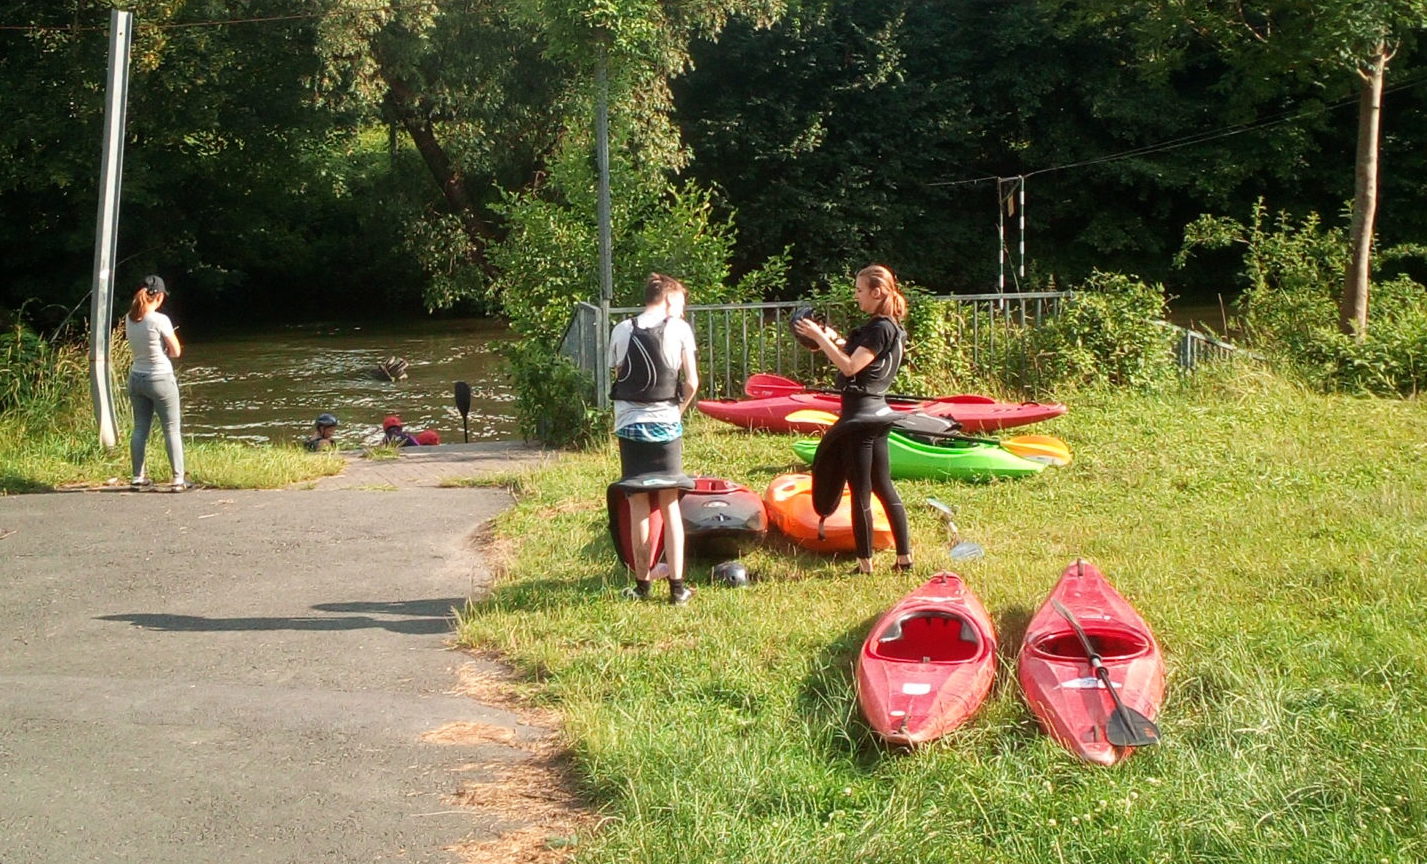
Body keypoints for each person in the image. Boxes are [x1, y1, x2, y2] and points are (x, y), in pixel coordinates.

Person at [793, 264, 914, 574]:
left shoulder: (879, 328)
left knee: (860, 489)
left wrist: (821, 338)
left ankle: (865, 564)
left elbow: (850, 367)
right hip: (879, 413)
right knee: (883, 486)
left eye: (860, 290)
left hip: (859, 417)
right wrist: (830, 336)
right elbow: (857, 354)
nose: (856, 296)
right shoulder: (891, 327)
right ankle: (904, 559)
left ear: (877, 292)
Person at [608, 273, 700, 604]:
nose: (683, 309)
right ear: (669, 299)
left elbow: (618, 372)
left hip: (630, 426)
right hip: (666, 424)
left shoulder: (621, 329)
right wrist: (677, 412)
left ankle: (642, 585)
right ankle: (677, 589)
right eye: (681, 303)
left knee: (638, 506)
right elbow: (691, 383)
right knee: (669, 503)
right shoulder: (679, 329)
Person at [124, 275, 187, 491]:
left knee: (140, 427)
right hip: (160, 378)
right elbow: (176, 351)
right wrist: (166, 349)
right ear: (159, 296)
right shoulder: (160, 320)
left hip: (136, 378)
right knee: (171, 428)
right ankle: (178, 479)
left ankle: (137, 477)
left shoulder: (129, 318)